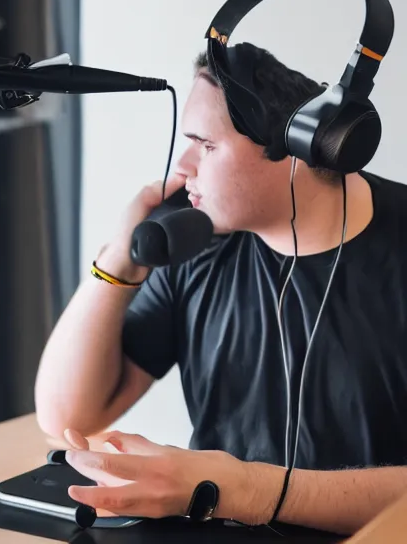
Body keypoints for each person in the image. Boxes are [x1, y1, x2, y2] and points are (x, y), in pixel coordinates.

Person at [34, 43, 407, 535]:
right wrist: (118, 259)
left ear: (294, 151)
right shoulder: (197, 245)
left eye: (206, 145)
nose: (182, 166)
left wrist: (246, 489)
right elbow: (68, 414)